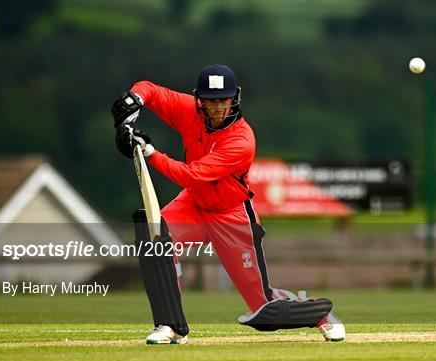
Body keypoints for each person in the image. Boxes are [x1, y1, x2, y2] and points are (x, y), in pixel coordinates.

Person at [111, 64, 345, 345]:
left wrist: (148, 151)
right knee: (154, 238)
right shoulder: (189, 111)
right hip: (194, 205)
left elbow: (192, 175)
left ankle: (320, 313)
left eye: (223, 100)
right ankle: (170, 326)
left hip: (231, 215)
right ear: (200, 100)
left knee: (264, 308)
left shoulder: (241, 140)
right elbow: (151, 89)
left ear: (235, 98)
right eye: (210, 101)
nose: (217, 108)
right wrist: (134, 100)